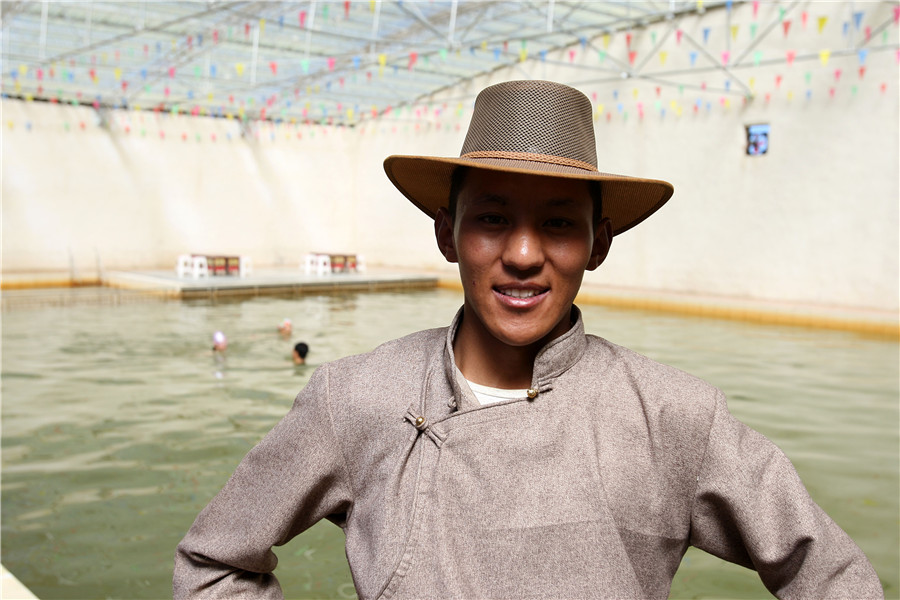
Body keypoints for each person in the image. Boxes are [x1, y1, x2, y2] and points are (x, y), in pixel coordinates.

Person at [174, 80, 882, 599]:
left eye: (558, 223)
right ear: (447, 234)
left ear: (598, 244)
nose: (521, 254)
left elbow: (832, 576)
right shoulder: (356, 398)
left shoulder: (674, 416)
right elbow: (213, 563)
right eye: (491, 218)